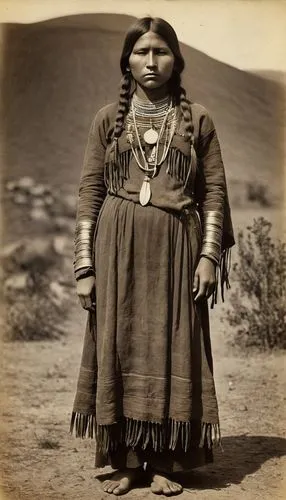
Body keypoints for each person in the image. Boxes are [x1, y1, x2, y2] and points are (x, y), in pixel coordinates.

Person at [70, 16, 234, 496]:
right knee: (118, 345)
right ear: (127, 60)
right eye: (141, 52)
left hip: (176, 252)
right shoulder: (108, 119)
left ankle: (165, 462)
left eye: (160, 51)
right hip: (115, 249)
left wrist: (208, 256)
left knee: (172, 347)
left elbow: (217, 193)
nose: (150, 61)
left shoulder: (197, 119)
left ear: (176, 60)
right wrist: (85, 265)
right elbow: (89, 193)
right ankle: (126, 462)